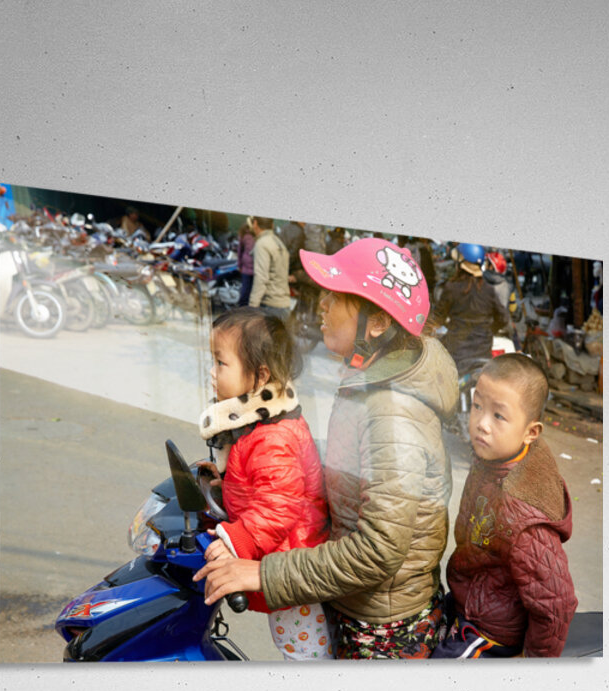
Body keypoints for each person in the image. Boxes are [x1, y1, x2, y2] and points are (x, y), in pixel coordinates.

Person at [196, 237, 458, 659]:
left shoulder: (392, 412)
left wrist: (263, 572)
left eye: (335, 297)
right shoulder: (368, 380)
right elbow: (345, 474)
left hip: (381, 625)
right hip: (351, 598)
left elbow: (377, 551)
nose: (321, 306)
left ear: (375, 323)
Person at [198, 307, 332, 659]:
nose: (212, 374)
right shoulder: (260, 423)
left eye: (220, 363)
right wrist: (221, 482)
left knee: (303, 654)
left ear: (260, 376)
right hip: (281, 554)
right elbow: (258, 482)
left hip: (291, 567)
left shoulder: (273, 437)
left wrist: (234, 541)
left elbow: (278, 506)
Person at [432, 353, 577, 658]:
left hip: (490, 630)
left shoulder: (521, 510)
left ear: (531, 432)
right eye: (477, 406)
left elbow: (556, 601)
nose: (481, 424)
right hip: (469, 599)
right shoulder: (494, 461)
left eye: (498, 416)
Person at [432, 242, 511, 374]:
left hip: (457, 353)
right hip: (483, 351)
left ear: (460, 264)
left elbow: (438, 319)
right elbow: (504, 318)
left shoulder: (451, 288)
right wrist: (489, 330)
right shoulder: (488, 289)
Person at [247, 216, 291, 320]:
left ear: (255, 224)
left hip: (270, 306)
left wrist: (251, 308)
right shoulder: (278, 242)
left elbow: (261, 278)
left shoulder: (262, 244)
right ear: (272, 225)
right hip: (284, 305)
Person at [235, 218, 255, 306]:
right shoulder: (244, 234)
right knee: (245, 293)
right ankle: (242, 311)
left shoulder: (259, 235)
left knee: (252, 294)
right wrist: (239, 265)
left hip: (256, 270)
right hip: (247, 270)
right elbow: (240, 251)